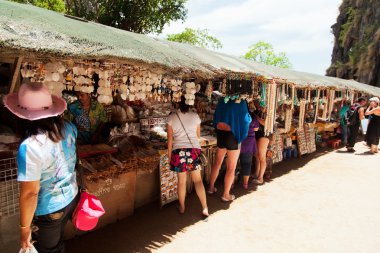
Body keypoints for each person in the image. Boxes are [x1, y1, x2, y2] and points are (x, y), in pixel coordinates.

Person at [3, 82, 78, 253]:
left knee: (48, 249)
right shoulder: (68, 127)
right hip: (71, 198)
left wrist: (24, 229)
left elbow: (30, 193)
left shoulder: (30, 147)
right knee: (56, 242)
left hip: (50, 209)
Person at [167, 96, 209, 218]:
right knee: (197, 180)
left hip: (178, 151)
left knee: (181, 182)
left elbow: (170, 139)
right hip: (193, 151)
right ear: (190, 103)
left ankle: (182, 207)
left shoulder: (172, 117)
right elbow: (197, 136)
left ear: (177, 103)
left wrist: (170, 157)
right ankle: (205, 207)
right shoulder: (195, 116)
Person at [208, 97, 251, 202]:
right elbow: (246, 120)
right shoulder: (241, 101)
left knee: (218, 162)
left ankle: (211, 188)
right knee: (231, 167)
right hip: (233, 134)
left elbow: (216, 117)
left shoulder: (223, 99)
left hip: (221, 133)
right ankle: (226, 194)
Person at [239, 106, 259, 190]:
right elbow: (256, 129)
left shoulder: (239, 116)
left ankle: (231, 184)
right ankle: (245, 184)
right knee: (247, 163)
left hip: (239, 140)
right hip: (249, 142)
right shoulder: (253, 117)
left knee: (234, 164)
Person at [253, 102, 271, 185]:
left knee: (261, 156)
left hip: (264, 135)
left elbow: (266, 124)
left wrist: (256, 117)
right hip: (258, 134)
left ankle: (260, 178)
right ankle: (256, 174)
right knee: (257, 155)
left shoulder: (270, 112)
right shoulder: (257, 111)